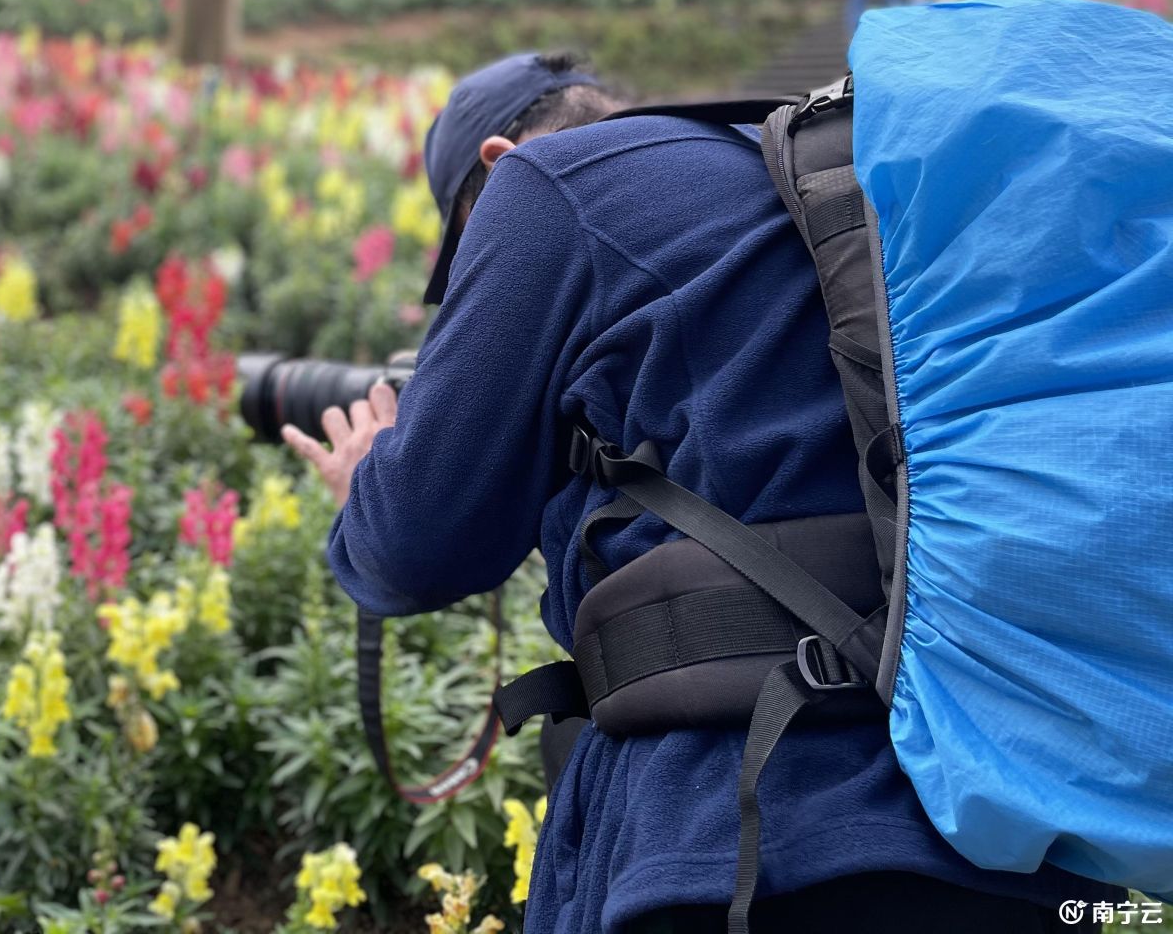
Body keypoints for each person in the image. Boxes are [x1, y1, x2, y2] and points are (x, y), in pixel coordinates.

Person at [281, 50, 1110, 933]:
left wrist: (368, 470)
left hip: (742, 838)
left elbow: (413, 544)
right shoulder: (831, 186)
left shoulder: (547, 181)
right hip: (1023, 836)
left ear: (494, 164)